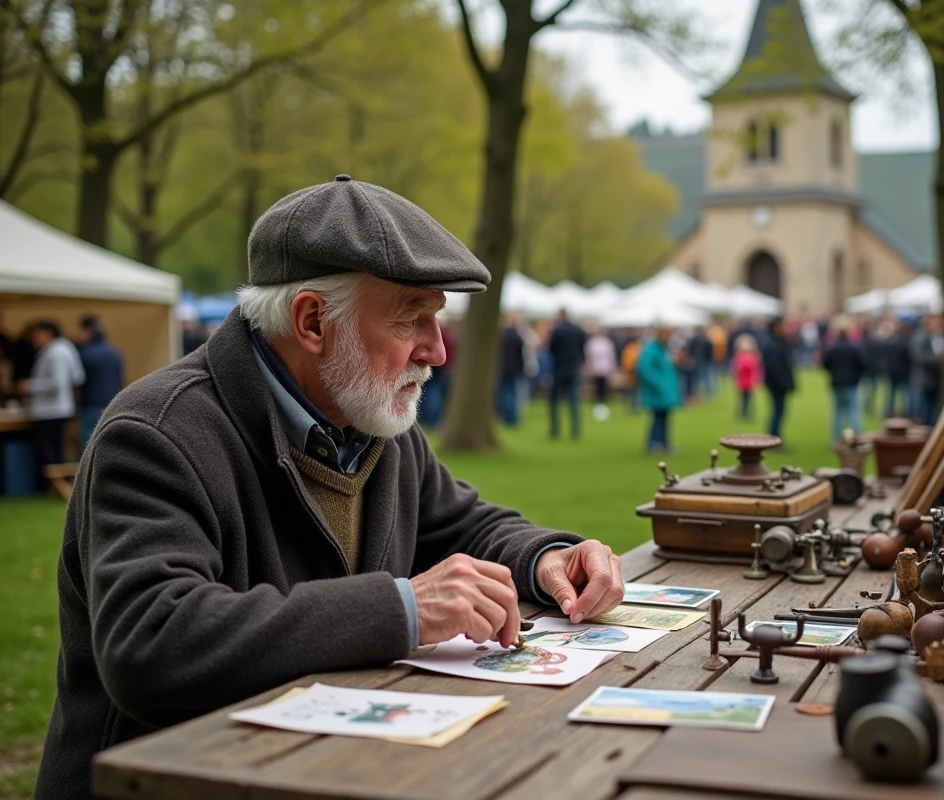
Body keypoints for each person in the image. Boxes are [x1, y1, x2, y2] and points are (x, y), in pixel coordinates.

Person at [35, 175, 624, 800]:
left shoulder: (372, 422)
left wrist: (547, 558)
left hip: (316, 772)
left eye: (437, 318)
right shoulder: (157, 433)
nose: (437, 351)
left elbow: (463, 524)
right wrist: (401, 609)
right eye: (411, 318)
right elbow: (151, 641)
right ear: (313, 320)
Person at [20, 320, 84, 492]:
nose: (34, 339)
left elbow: (56, 383)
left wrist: (29, 385)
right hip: (60, 407)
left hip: (50, 409)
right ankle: (57, 487)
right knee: (56, 450)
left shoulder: (55, 351)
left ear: (47, 333)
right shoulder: (66, 348)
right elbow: (78, 377)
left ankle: (51, 488)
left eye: (36, 335)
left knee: (48, 452)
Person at [75, 315, 125, 449]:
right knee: (109, 446)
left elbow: (77, 383)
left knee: (88, 447)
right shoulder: (115, 353)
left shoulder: (84, 354)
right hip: (112, 404)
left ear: (88, 331)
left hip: (90, 405)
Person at [822, 317, 869, 442]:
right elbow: (863, 364)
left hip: (837, 382)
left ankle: (835, 438)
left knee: (837, 411)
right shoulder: (854, 347)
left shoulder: (831, 347)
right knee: (854, 410)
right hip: (852, 382)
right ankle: (856, 437)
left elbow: (825, 363)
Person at [636, 326, 681, 453]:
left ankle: (664, 442)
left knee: (665, 417)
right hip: (657, 391)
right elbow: (644, 370)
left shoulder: (663, 349)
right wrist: (658, 384)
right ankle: (654, 443)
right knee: (657, 418)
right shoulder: (651, 350)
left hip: (665, 390)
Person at [547, 309, 586, 439]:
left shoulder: (557, 330)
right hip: (573, 365)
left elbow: (551, 348)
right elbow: (582, 346)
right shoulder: (577, 330)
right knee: (573, 398)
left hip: (559, 366)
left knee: (554, 399)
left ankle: (554, 429)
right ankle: (575, 429)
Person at [760, 317, 796, 440]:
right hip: (777, 385)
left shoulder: (778, 342)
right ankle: (773, 437)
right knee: (777, 412)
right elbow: (774, 368)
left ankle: (774, 437)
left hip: (778, 384)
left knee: (779, 411)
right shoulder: (772, 344)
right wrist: (785, 382)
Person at [908, 314, 944, 425]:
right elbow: (919, 357)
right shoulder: (920, 337)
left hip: (935, 379)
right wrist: (939, 360)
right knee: (924, 407)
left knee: (933, 406)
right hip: (924, 379)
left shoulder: (938, 336)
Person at [496, 314, 527, 427]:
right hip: (514, 369)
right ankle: (511, 418)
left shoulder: (501, 336)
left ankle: (505, 416)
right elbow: (521, 355)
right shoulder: (517, 337)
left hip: (502, 368)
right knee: (512, 393)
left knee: (503, 393)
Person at [584, 324, 617, 422]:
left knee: (603, 386)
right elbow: (589, 355)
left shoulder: (607, 342)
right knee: (597, 386)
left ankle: (602, 402)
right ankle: (598, 403)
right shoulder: (592, 343)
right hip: (597, 367)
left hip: (604, 367)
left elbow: (611, 355)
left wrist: (611, 366)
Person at [883, 317, 912, 418]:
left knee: (892, 394)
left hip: (893, 372)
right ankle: (905, 413)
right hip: (904, 372)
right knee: (905, 395)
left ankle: (889, 412)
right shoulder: (906, 341)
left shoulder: (892, 340)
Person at [731, 334, 762, 419]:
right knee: (742, 398)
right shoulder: (738, 357)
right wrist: (735, 380)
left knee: (748, 398)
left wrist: (756, 380)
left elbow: (756, 370)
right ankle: (742, 413)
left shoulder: (754, 357)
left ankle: (747, 413)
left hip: (749, 380)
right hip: (742, 380)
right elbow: (736, 370)